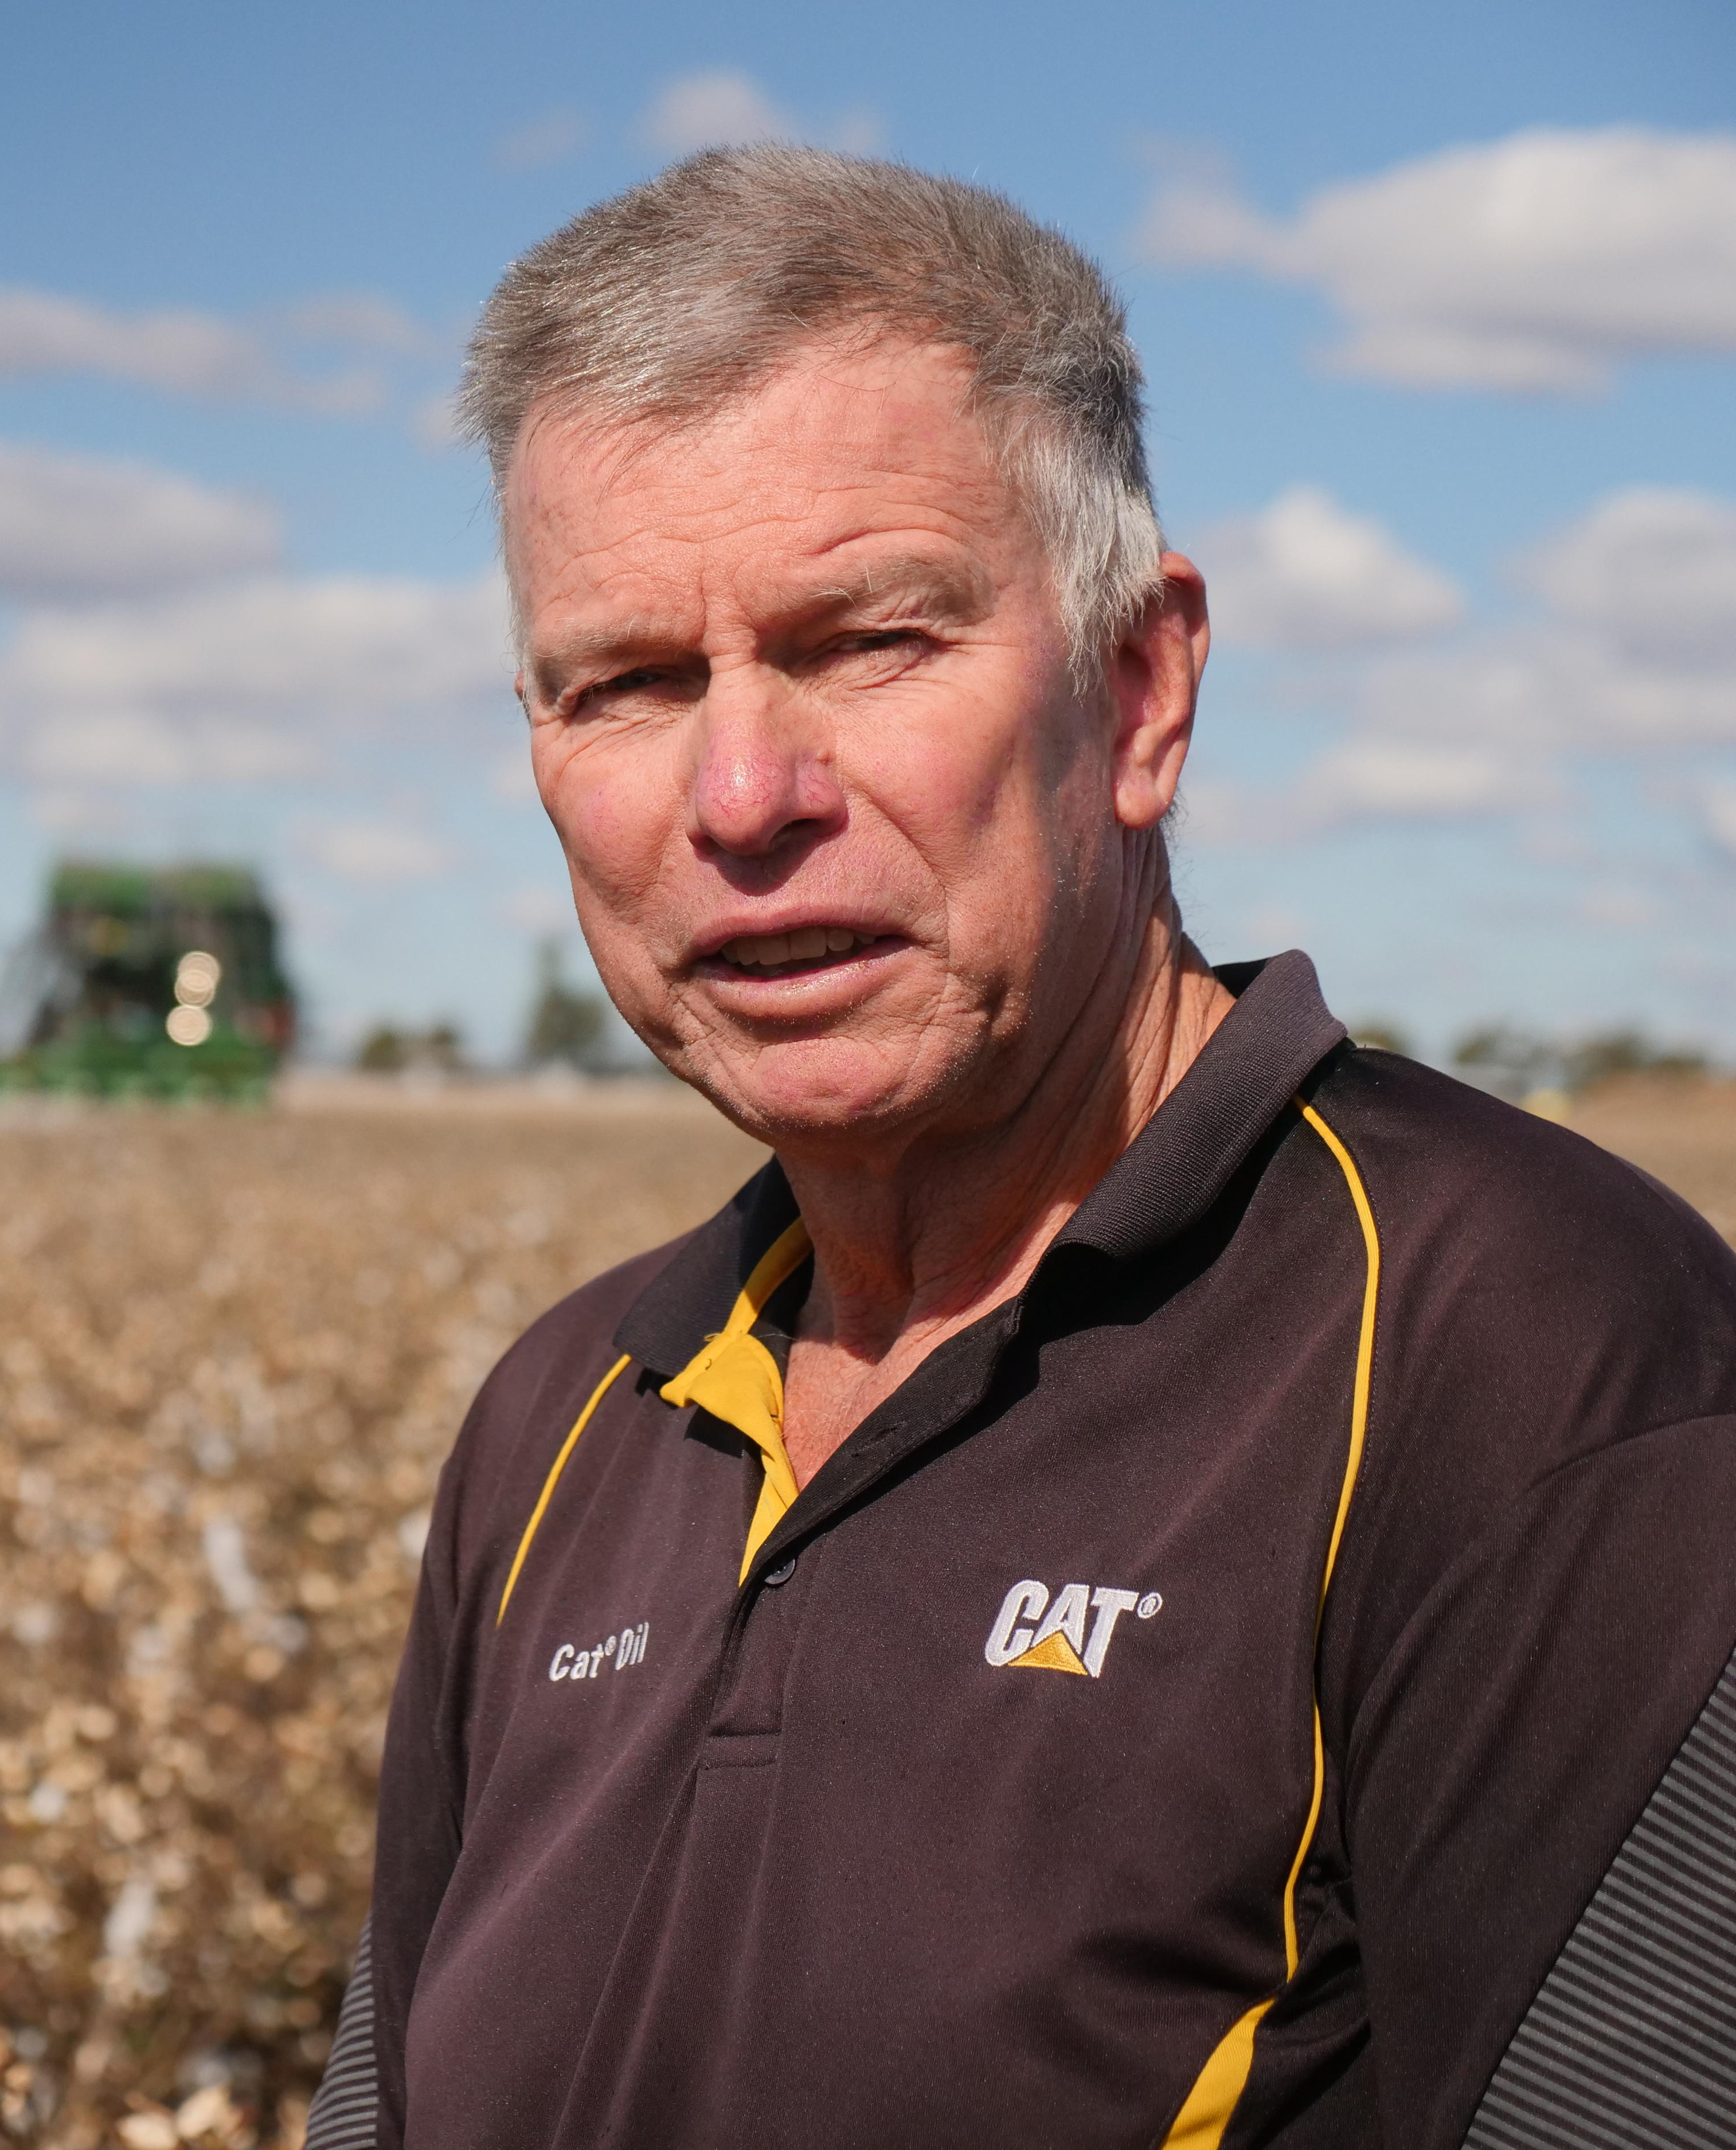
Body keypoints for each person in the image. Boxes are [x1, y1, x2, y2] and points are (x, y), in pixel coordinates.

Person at [302, 147, 1736, 2149]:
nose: (739, 794)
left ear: (1141, 690)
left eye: (871, 644)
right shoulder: (565, 1425)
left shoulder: (1530, 1356)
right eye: (623, 684)